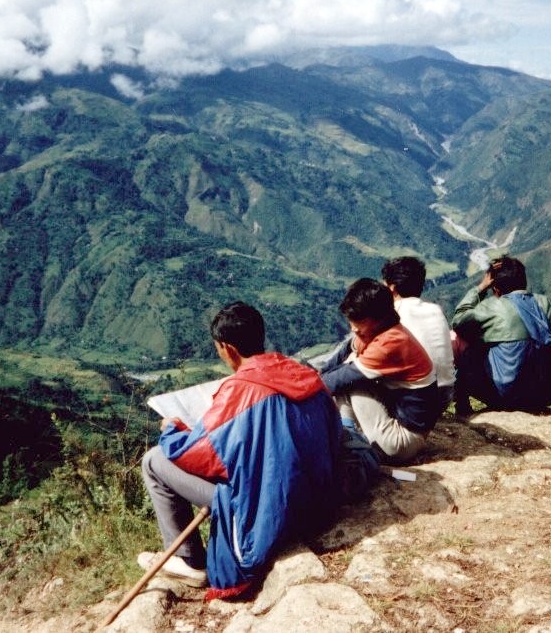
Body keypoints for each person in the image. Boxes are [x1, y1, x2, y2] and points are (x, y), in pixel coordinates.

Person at [139, 301, 341, 601]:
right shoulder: (304, 374)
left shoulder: (241, 391)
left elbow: (197, 455)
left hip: (272, 509)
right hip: (317, 499)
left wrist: (172, 428)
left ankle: (189, 561)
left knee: (154, 460)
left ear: (227, 348)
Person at [316, 278, 439, 463]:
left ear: (377, 319)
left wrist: (307, 386)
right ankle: (348, 435)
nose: (353, 328)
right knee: (348, 376)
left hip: (402, 442)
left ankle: (349, 440)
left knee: (349, 383)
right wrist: (321, 372)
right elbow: (347, 348)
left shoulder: (391, 342)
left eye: (359, 324)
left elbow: (338, 380)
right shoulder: (380, 330)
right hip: (403, 425)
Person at [451, 256, 551, 416]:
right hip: (548, 393)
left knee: (458, 338)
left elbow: (458, 320)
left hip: (504, 396)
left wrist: (481, 287)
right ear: (523, 281)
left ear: (495, 287)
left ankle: (462, 406)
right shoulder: (545, 303)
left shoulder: (492, 306)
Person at [381, 256, 456, 408]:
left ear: (392, 288)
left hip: (412, 398)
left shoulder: (391, 314)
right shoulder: (435, 309)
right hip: (444, 394)